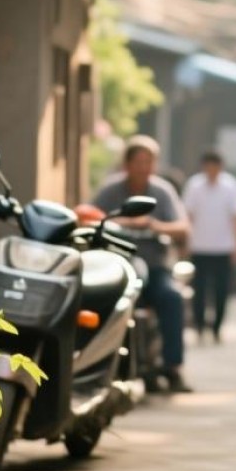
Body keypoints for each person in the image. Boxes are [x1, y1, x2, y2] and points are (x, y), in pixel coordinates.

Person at [90, 135, 194, 393]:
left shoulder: (162, 192)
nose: (143, 167)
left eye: (148, 161)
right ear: (127, 163)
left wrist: (153, 225)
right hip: (117, 268)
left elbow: (182, 228)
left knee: (172, 298)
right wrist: (123, 223)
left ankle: (173, 367)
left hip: (156, 268)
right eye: (138, 161)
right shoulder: (110, 191)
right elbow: (90, 218)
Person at [181, 150, 236, 344]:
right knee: (199, 290)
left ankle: (217, 327)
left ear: (220, 166)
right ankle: (200, 326)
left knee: (221, 291)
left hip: (223, 246)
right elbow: (188, 215)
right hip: (199, 246)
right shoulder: (194, 185)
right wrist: (186, 242)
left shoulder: (230, 185)